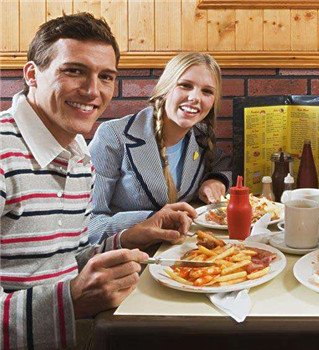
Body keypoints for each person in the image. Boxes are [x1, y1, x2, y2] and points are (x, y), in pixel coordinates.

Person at [0, 13, 196, 349]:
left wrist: (129, 237)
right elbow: (67, 292)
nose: (93, 91)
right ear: (32, 75)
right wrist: (70, 302)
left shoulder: (78, 152)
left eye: (106, 76)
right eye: (74, 70)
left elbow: (67, 259)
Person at [88, 52, 231, 244]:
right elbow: (88, 223)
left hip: (177, 254)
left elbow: (223, 163)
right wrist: (151, 219)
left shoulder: (200, 136)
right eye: (185, 86)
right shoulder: (113, 136)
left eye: (207, 91)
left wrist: (216, 179)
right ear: (165, 88)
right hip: (126, 259)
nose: (195, 97)